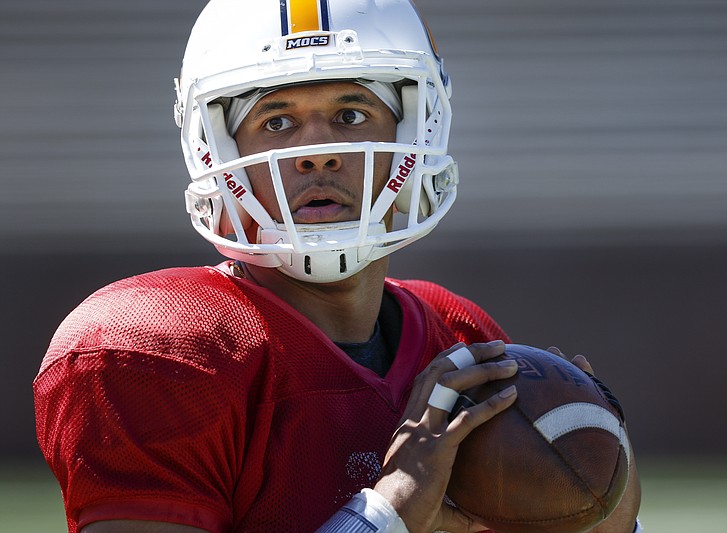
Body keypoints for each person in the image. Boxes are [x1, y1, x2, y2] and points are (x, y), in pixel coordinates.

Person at [33, 0, 641, 532]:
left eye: (351, 115)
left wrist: (602, 512)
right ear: (216, 148)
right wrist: (386, 515)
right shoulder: (154, 349)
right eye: (277, 122)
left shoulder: (460, 338)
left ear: (417, 129)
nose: (318, 153)